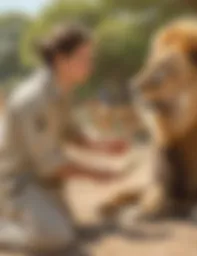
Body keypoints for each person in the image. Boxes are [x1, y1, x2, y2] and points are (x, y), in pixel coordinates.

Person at [0, 23, 129, 255]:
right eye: (83, 58)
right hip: (16, 184)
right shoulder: (34, 99)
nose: (90, 64)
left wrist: (103, 146)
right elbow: (52, 164)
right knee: (56, 239)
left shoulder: (62, 89)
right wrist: (99, 173)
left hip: (43, 183)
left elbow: (72, 132)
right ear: (61, 59)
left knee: (69, 231)